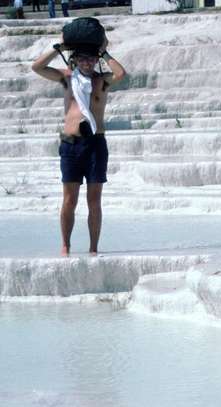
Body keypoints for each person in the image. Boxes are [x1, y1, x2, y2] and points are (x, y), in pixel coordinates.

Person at [31, 37, 126, 256]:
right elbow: (37, 67)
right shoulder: (67, 79)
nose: (87, 62)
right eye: (82, 58)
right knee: (69, 199)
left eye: (91, 58)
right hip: (71, 146)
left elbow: (121, 74)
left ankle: (93, 248)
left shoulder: (101, 81)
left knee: (94, 200)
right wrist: (60, 48)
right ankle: (66, 245)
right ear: (75, 60)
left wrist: (103, 53)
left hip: (95, 145)